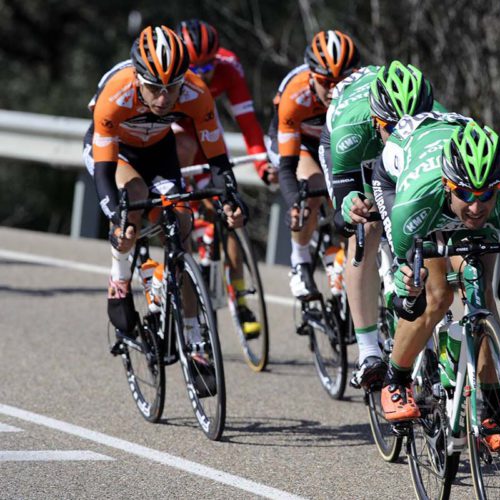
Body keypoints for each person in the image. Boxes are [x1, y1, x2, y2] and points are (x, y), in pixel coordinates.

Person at [372, 114, 500, 451]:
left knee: (482, 296)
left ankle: (489, 409)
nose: (477, 206)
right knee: (435, 296)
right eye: (466, 193)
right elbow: (410, 302)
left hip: (448, 201)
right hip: (402, 182)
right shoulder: (416, 200)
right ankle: (396, 378)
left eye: (487, 194)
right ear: (450, 185)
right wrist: (408, 286)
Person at [82, 25, 245, 358]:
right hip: (116, 153)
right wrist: (117, 217)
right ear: (137, 78)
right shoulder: (115, 94)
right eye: (154, 88)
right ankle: (120, 279)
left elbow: (217, 158)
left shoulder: (196, 93)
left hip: (158, 151)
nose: (163, 98)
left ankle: (194, 335)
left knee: (181, 227)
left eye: (172, 88)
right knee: (133, 204)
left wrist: (230, 195)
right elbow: (103, 171)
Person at [319, 61, 442, 389]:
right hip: (352, 146)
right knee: (364, 228)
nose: (402, 136)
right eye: (392, 128)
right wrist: (352, 207)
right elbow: (344, 213)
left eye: (411, 126)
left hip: (404, 157)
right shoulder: (352, 127)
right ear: (377, 119)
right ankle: (368, 350)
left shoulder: (436, 117)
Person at [175, 19, 269, 338]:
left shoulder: (228, 66)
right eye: (196, 70)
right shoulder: (173, 70)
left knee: (231, 217)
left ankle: (240, 300)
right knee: (181, 152)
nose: (205, 75)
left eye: (208, 67)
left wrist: (261, 165)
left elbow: (247, 121)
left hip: (208, 140)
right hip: (177, 144)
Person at [267, 30, 360, 299]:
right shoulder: (295, 96)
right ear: (311, 76)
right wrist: (295, 201)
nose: (334, 89)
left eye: (343, 80)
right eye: (325, 81)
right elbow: (287, 167)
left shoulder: (364, 90)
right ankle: (300, 262)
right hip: (300, 143)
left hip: (338, 141)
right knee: (315, 186)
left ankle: (346, 259)